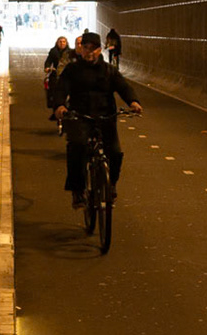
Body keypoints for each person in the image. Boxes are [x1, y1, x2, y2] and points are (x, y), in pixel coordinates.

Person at [53, 31, 143, 208]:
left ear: (100, 50)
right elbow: (61, 88)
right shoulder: (73, 70)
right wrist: (60, 105)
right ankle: (77, 190)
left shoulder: (109, 70)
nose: (89, 52)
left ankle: (111, 185)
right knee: (77, 147)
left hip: (105, 116)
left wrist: (133, 101)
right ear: (81, 50)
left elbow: (123, 87)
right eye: (85, 48)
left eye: (93, 49)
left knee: (115, 153)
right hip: (80, 115)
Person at [43, 36, 73, 116]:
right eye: (60, 42)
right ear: (57, 43)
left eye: (64, 42)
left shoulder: (70, 53)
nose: (62, 43)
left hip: (67, 74)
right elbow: (48, 61)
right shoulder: (53, 51)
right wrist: (47, 67)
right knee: (54, 90)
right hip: (56, 74)